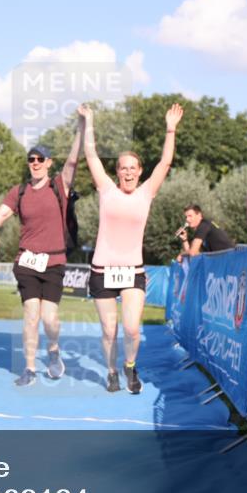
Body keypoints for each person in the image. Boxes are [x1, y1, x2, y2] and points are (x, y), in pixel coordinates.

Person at [80, 102, 184, 393]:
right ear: (117, 172)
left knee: (131, 329)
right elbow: (90, 153)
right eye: (123, 168)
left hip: (132, 272)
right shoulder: (106, 189)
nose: (127, 173)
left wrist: (170, 129)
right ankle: (112, 371)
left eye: (132, 168)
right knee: (109, 330)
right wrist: (89, 120)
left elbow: (164, 163)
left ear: (140, 172)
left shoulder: (146, 193)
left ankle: (129, 366)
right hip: (102, 271)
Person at [0, 127, 81, 387]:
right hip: (26, 262)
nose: (35, 163)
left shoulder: (59, 185)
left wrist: (82, 127)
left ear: (49, 163)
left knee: (50, 318)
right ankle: (29, 368)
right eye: (31, 159)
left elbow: (73, 160)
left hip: (54, 262)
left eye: (40, 159)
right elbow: (0, 215)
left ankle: (53, 349)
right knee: (30, 315)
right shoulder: (20, 191)